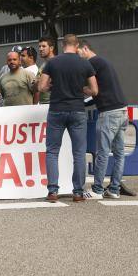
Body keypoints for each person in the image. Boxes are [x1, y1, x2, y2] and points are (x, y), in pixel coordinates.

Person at [38, 34, 97, 203]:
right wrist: (81, 89)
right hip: (77, 111)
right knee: (78, 153)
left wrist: (54, 87)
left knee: (52, 151)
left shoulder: (53, 62)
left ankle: (53, 191)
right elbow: (95, 90)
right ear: (76, 45)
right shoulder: (84, 63)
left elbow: (42, 87)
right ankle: (78, 192)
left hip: (56, 110)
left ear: (63, 45)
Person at [78, 40, 130, 200]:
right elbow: (99, 92)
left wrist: (79, 90)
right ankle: (114, 189)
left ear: (85, 48)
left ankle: (97, 190)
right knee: (119, 153)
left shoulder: (92, 63)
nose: (78, 57)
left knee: (102, 152)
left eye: (79, 52)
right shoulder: (104, 62)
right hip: (122, 110)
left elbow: (93, 91)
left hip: (109, 113)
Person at [38, 36, 57, 104]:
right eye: (39, 46)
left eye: (43, 46)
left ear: (51, 48)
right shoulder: (42, 65)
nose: (40, 49)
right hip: (42, 103)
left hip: (53, 103)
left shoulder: (56, 62)